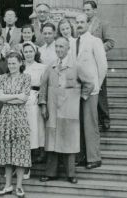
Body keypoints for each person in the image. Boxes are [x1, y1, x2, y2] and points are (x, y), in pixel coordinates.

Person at [39, 37, 89, 184]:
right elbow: (43, 88)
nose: (59, 49)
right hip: (52, 110)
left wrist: (79, 99)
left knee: (69, 142)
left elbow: (89, 83)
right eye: (57, 47)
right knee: (52, 142)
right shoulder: (50, 66)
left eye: (62, 47)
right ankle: (50, 173)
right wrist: (43, 105)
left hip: (69, 112)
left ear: (68, 48)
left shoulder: (76, 66)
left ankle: (71, 174)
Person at [74, 13, 108, 169]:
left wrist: (97, 85)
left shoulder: (95, 41)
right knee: (79, 123)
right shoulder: (74, 42)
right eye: (77, 22)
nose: (79, 24)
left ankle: (94, 157)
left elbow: (103, 66)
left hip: (91, 90)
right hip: (76, 89)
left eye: (82, 22)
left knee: (90, 124)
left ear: (88, 24)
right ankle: (82, 156)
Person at [0, 52, 31, 198]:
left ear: (20, 63)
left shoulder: (26, 77)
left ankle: (19, 186)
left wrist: (8, 98)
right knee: (6, 152)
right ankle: (8, 185)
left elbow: (24, 99)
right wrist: (15, 96)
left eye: (14, 63)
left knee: (20, 151)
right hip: (5, 118)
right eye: (9, 63)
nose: (11, 66)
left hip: (20, 118)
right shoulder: (3, 78)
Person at [83, 0, 115, 131]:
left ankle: (105, 119)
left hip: (97, 63)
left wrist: (98, 49)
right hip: (84, 64)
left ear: (95, 10)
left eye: (88, 10)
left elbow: (111, 42)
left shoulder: (102, 24)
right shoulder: (81, 24)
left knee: (100, 92)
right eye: (84, 10)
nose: (86, 13)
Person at [22, 42, 47, 177]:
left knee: (33, 131)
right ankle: (23, 164)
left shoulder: (42, 67)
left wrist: (42, 102)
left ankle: (30, 163)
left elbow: (44, 86)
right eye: (25, 52)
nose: (28, 54)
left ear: (35, 52)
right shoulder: (20, 67)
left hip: (35, 101)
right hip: (21, 101)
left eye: (30, 51)